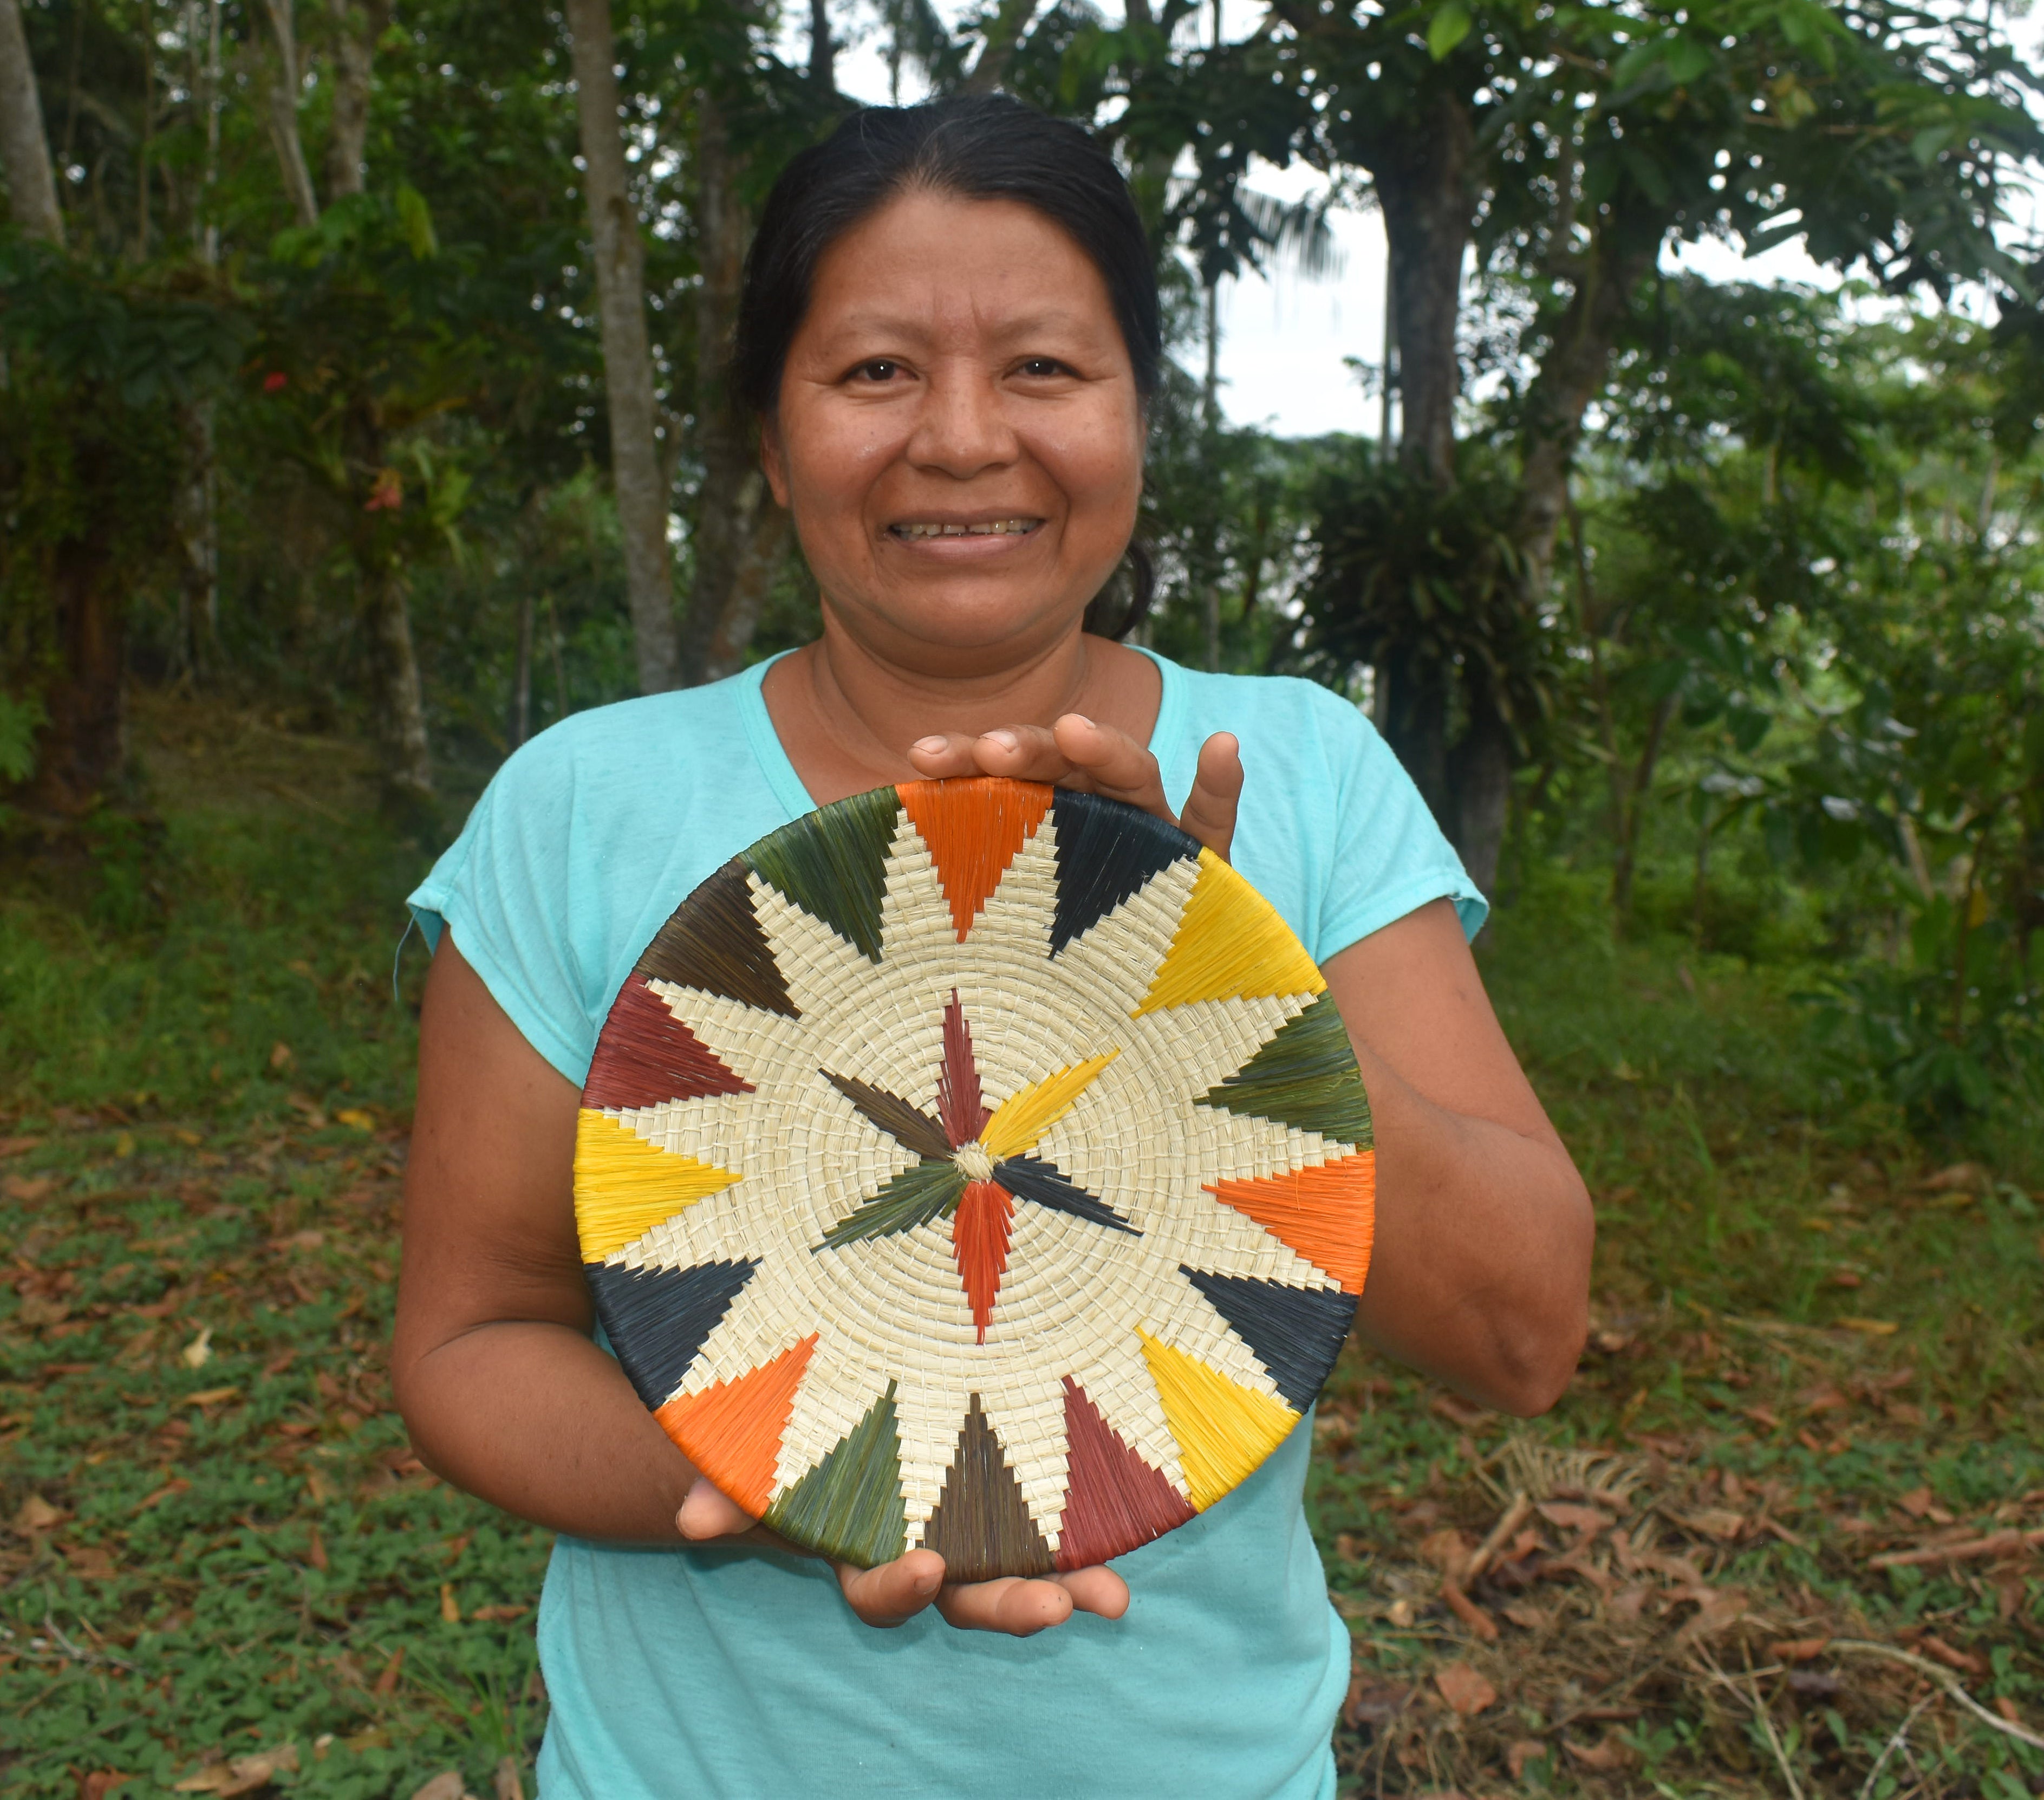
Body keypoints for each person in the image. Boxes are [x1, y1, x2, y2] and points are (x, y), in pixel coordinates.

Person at [394, 94, 1592, 1800]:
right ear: (769, 425)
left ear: (1140, 416)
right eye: (875, 370)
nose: (961, 438)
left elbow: (1525, 1334)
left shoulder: (1302, 774)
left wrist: (1215, 973)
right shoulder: (585, 803)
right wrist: (798, 1487)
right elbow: (469, 1343)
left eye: (1044, 366)